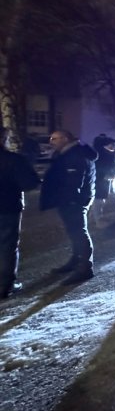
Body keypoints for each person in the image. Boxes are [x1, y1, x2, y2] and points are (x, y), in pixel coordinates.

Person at [40, 130, 98, 285]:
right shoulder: (68, 152)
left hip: (74, 200)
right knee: (74, 232)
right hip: (70, 199)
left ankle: (85, 267)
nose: (51, 141)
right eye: (51, 138)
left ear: (65, 139)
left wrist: (71, 200)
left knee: (79, 232)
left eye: (54, 138)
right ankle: (76, 260)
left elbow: (74, 182)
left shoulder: (75, 155)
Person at [0, 127, 41, 298]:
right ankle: (4, 286)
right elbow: (30, 183)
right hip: (7, 208)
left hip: (7, 207)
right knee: (7, 247)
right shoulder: (14, 160)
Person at [90, 136, 115, 226]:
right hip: (98, 180)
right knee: (98, 199)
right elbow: (96, 168)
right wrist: (104, 176)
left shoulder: (109, 154)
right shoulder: (98, 155)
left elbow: (114, 165)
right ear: (104, 145)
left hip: (105, 180)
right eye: (112, 144)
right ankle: (98, 220)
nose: (114, 147)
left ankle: (93, 218)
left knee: (101, 199)